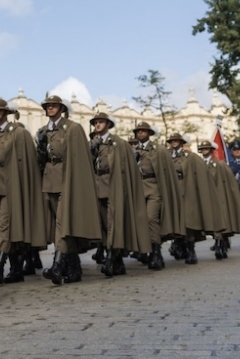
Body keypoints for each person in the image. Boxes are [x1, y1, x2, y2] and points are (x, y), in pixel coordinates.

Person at [32, 94, 101, 286]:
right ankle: (74, 267)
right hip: (50, 180)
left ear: (62, 108)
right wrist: (41, 149)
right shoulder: (43, 131)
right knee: (59, 225)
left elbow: (79, 157)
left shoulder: (72, 128)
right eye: (48, 105)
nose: (50, 107)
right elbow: (40, 160)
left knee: (62, 223)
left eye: (54, 105)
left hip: (67, 179)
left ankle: (57, 266)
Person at [0, 98, 46, 285]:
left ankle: (0, 264)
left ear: (6, 113)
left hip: (8, 183)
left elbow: (24, 161)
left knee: (5, 224)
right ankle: (16, 268)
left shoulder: (16, 132)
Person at [89, 112, 149, 277]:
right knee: (103, 223)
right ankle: (118, 261)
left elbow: (124, 167)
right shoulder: (93, 144)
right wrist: (90, 150)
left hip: (113, 185)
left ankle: (110, 258)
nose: (98, 125)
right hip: (98, 186)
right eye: (96, 122)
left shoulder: (118, 143)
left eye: (101, 122)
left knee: (113, 223)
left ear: (108, 124)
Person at [129, 121, 183, 270]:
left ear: (149, 133)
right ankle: (144, 251)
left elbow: (165, 171)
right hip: (138, 188)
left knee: (151, 218)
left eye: (143, 131)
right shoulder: (132, 150)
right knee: (140, 220)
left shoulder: (158, 150)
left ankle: (156, 252)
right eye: (138, 131)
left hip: (153, 187)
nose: (140, 133)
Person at [166, 134, 220, 265]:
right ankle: (178, 245)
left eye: (176, 140)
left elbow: (201, 174)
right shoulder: (166, 155)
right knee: (174, 220)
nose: (174, 142)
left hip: (186, 190)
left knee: (188, 221)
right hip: (171, 190)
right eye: (171, 141)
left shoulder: (190, 157)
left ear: (181, 142)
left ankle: (191, 250)